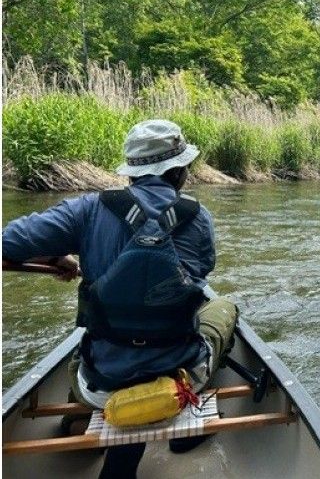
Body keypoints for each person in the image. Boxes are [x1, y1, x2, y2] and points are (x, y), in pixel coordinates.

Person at [2, 119, 238, 478]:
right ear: (179, 171)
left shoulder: (86, 210)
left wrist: (55, 258)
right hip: (176, 376)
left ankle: (77, 416)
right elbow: (198, 276)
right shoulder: (199, 218)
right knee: (223, 308)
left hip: (99, 386)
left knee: (87, 346)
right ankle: (187, 425)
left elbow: (7, 242)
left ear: (132, 171)